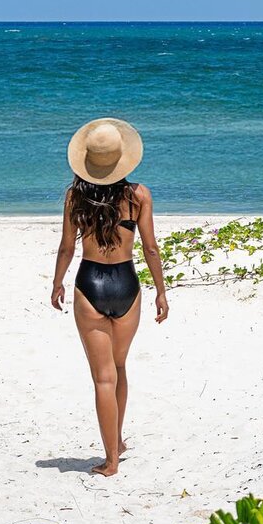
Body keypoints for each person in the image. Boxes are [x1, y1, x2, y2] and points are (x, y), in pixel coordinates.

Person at [51, 118, 168, 476]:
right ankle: (116, 441)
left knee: (103, 378)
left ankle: (111, 461)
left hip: (91, 285)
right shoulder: (139, 195)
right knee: (118, 368)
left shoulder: (75, 197)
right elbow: (149, 248)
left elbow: (67, 248)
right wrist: (162, 291)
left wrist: (56, 283)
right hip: (126, 285)